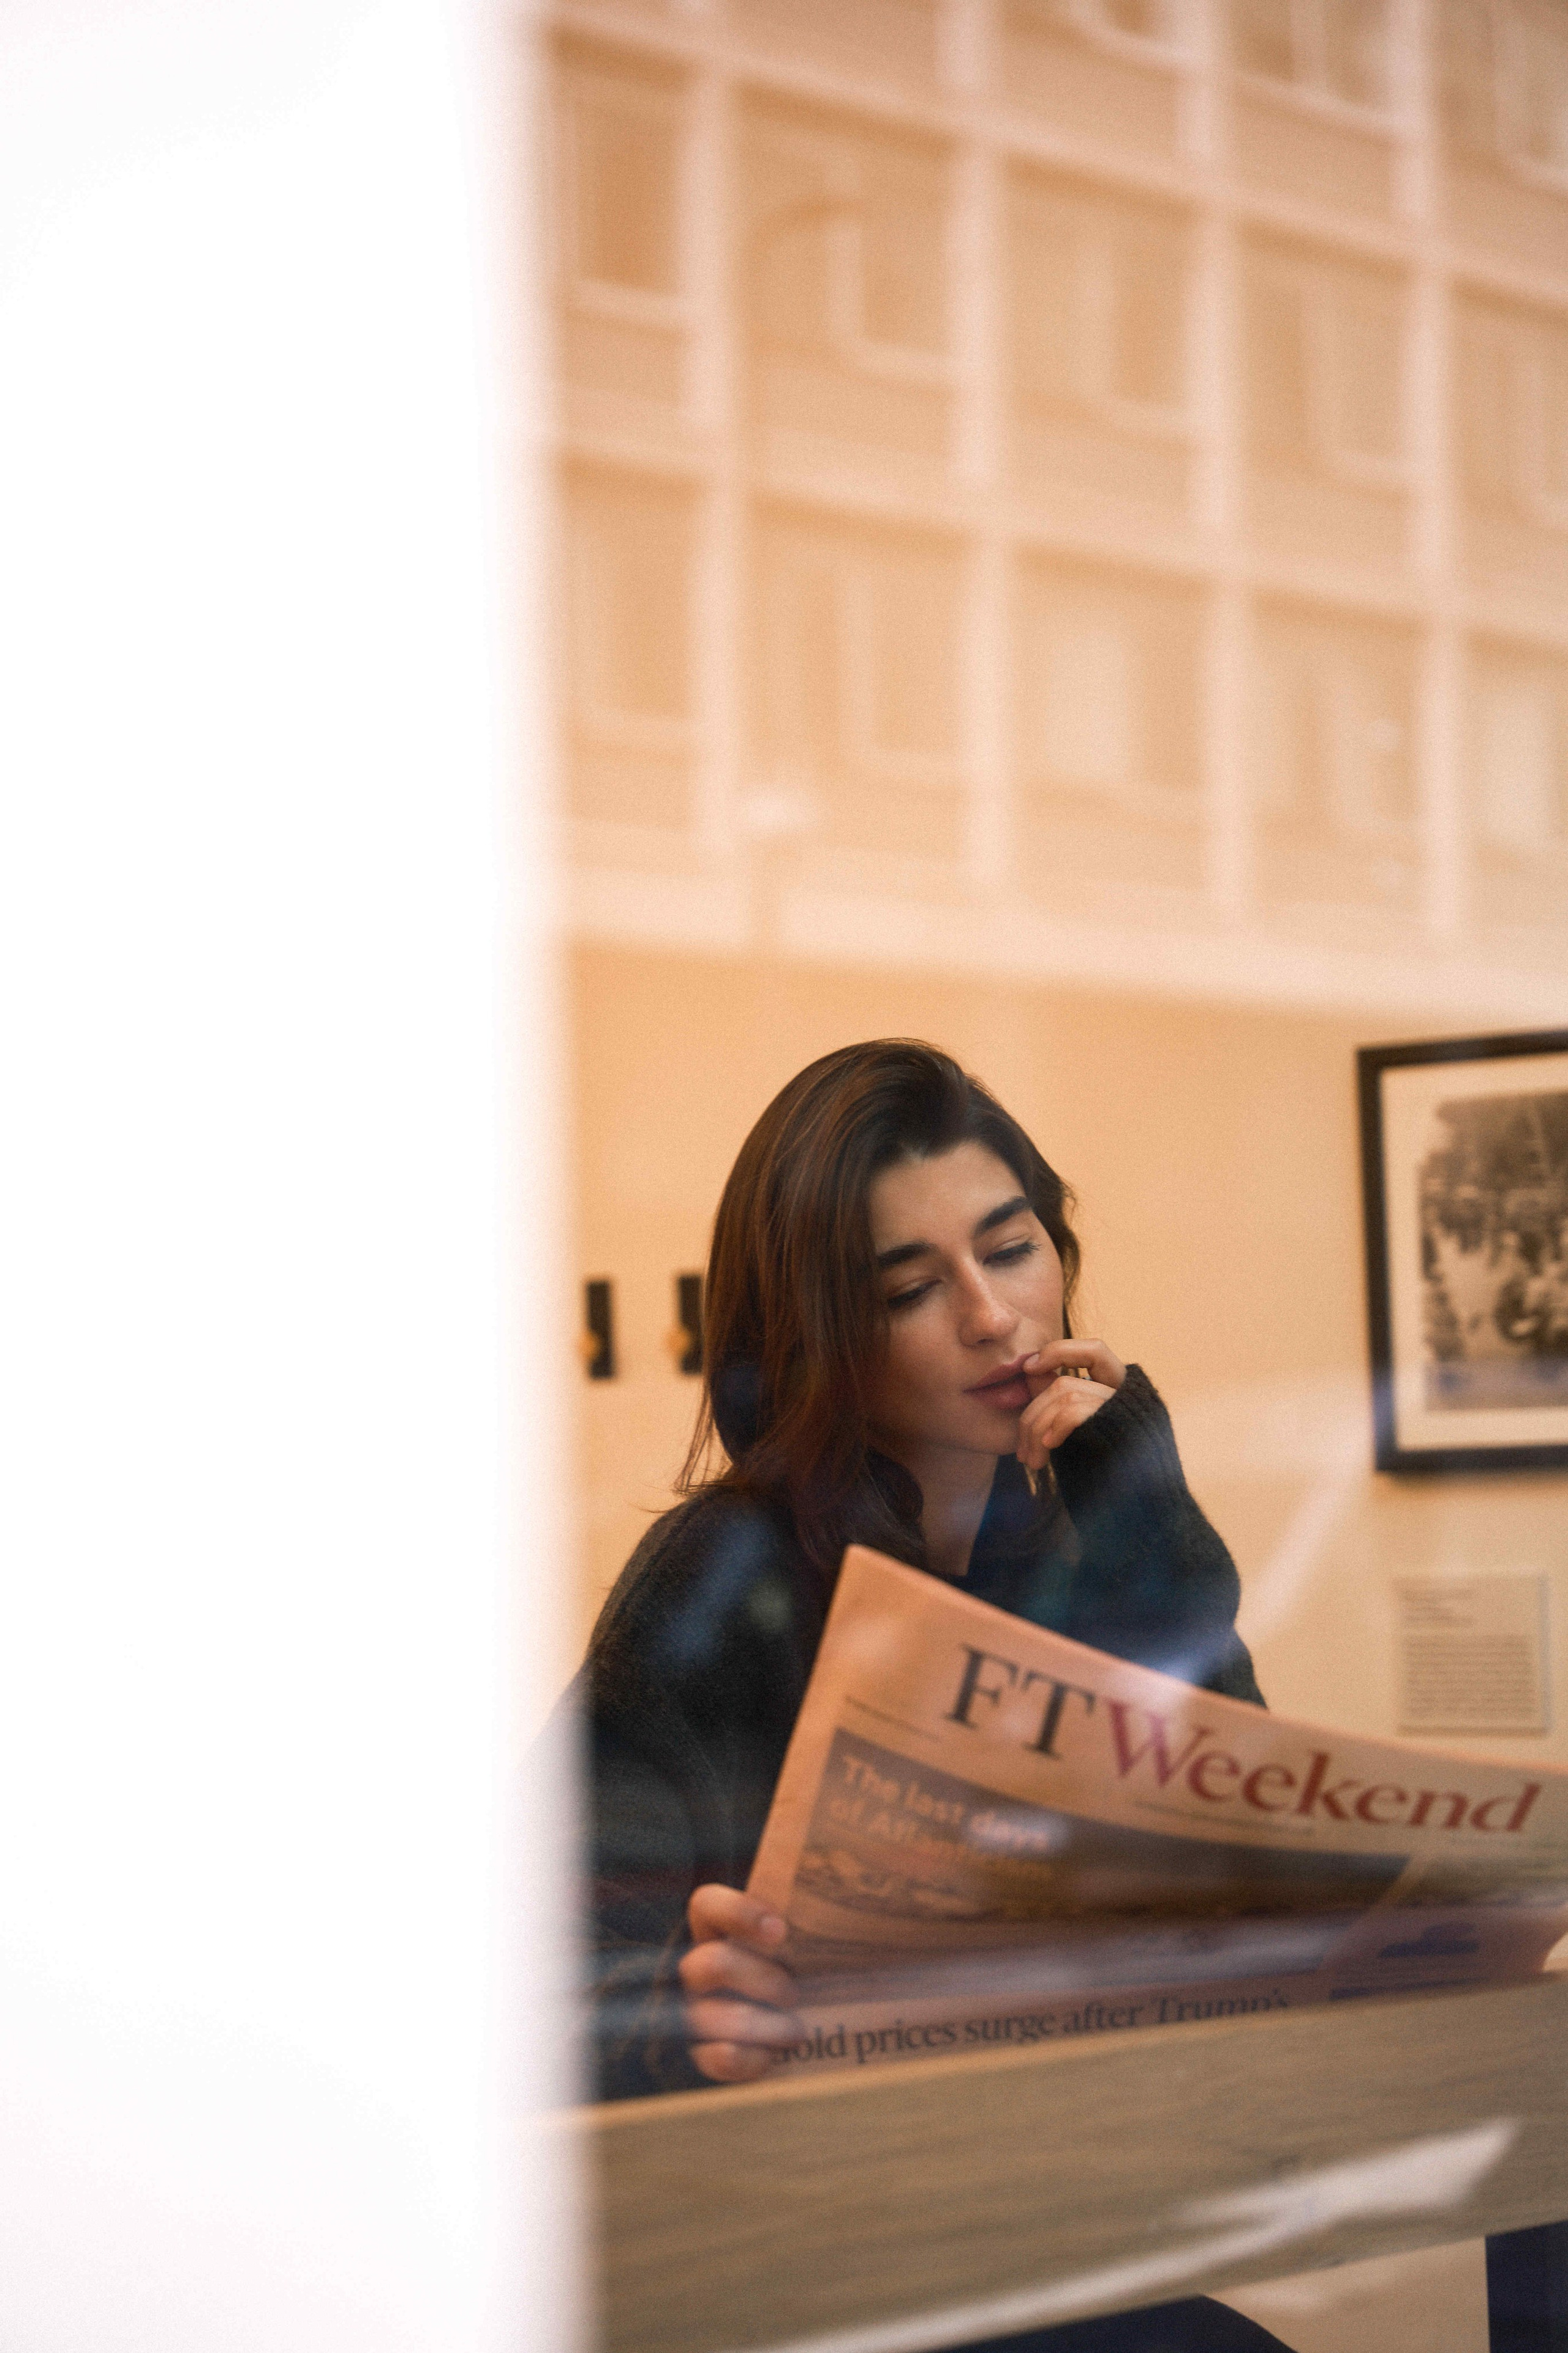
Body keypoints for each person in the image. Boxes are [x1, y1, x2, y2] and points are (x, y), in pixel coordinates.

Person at [564, 1041, 1283, 2352]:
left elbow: (1236, 1826)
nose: (991, 1317)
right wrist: (680, 2001)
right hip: (810, 2273)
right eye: (909, 1286)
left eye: (1010, 1250)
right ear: (820, 1338)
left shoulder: (1090, 1516)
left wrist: (1141, 1509)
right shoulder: (719, 1575)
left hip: (1062, 2234)